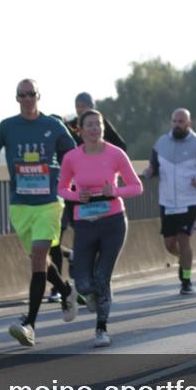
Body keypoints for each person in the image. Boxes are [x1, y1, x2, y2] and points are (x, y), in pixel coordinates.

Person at [0, 79, 77, 346]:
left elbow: (72, 157)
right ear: (17, 98)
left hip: (49, 202)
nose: (27, 99)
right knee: (40, 260)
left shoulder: (53, 126)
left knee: (38, 258)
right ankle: (66, 290)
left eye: (31, 94)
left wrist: (71, 182)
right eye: (22, 95)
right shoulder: (7, 126)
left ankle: (30, 325)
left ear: (38, 96)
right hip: (20, 204)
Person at [57, 109, 143, 347]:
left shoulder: (116, 154)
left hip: (112, 221)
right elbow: (61, 189)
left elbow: (137, 187)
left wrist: (114, 191)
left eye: (99, 124)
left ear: (103, 128)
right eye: (90, 125)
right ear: (81, 130)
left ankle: (101, 329)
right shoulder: (72, 158)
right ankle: (91, 291)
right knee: (84, 284)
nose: (95, 129)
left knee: (102, 277)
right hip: (84, 223)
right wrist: (76, 196)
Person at [51, 92, 128, 303]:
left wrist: (103, 159)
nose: (81, 110)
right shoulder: (69, 126)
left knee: (97, 251)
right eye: (78, 107)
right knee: (58, 237)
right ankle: (73, 280)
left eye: (85, 106)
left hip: (103, 201)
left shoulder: (102, 127)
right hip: (76, 197)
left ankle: (97, 287)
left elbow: (122, 147)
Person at [143, 108, 196, 295]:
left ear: (189, 123)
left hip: (190, 200)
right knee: (169, 244)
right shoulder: (161, 143)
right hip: (167, 201)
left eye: (181, 122)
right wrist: (150, 172)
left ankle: (186, 280)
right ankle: (183, 259)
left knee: (184, 239)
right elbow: (154, 167)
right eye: (174, 121)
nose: (177, 125)